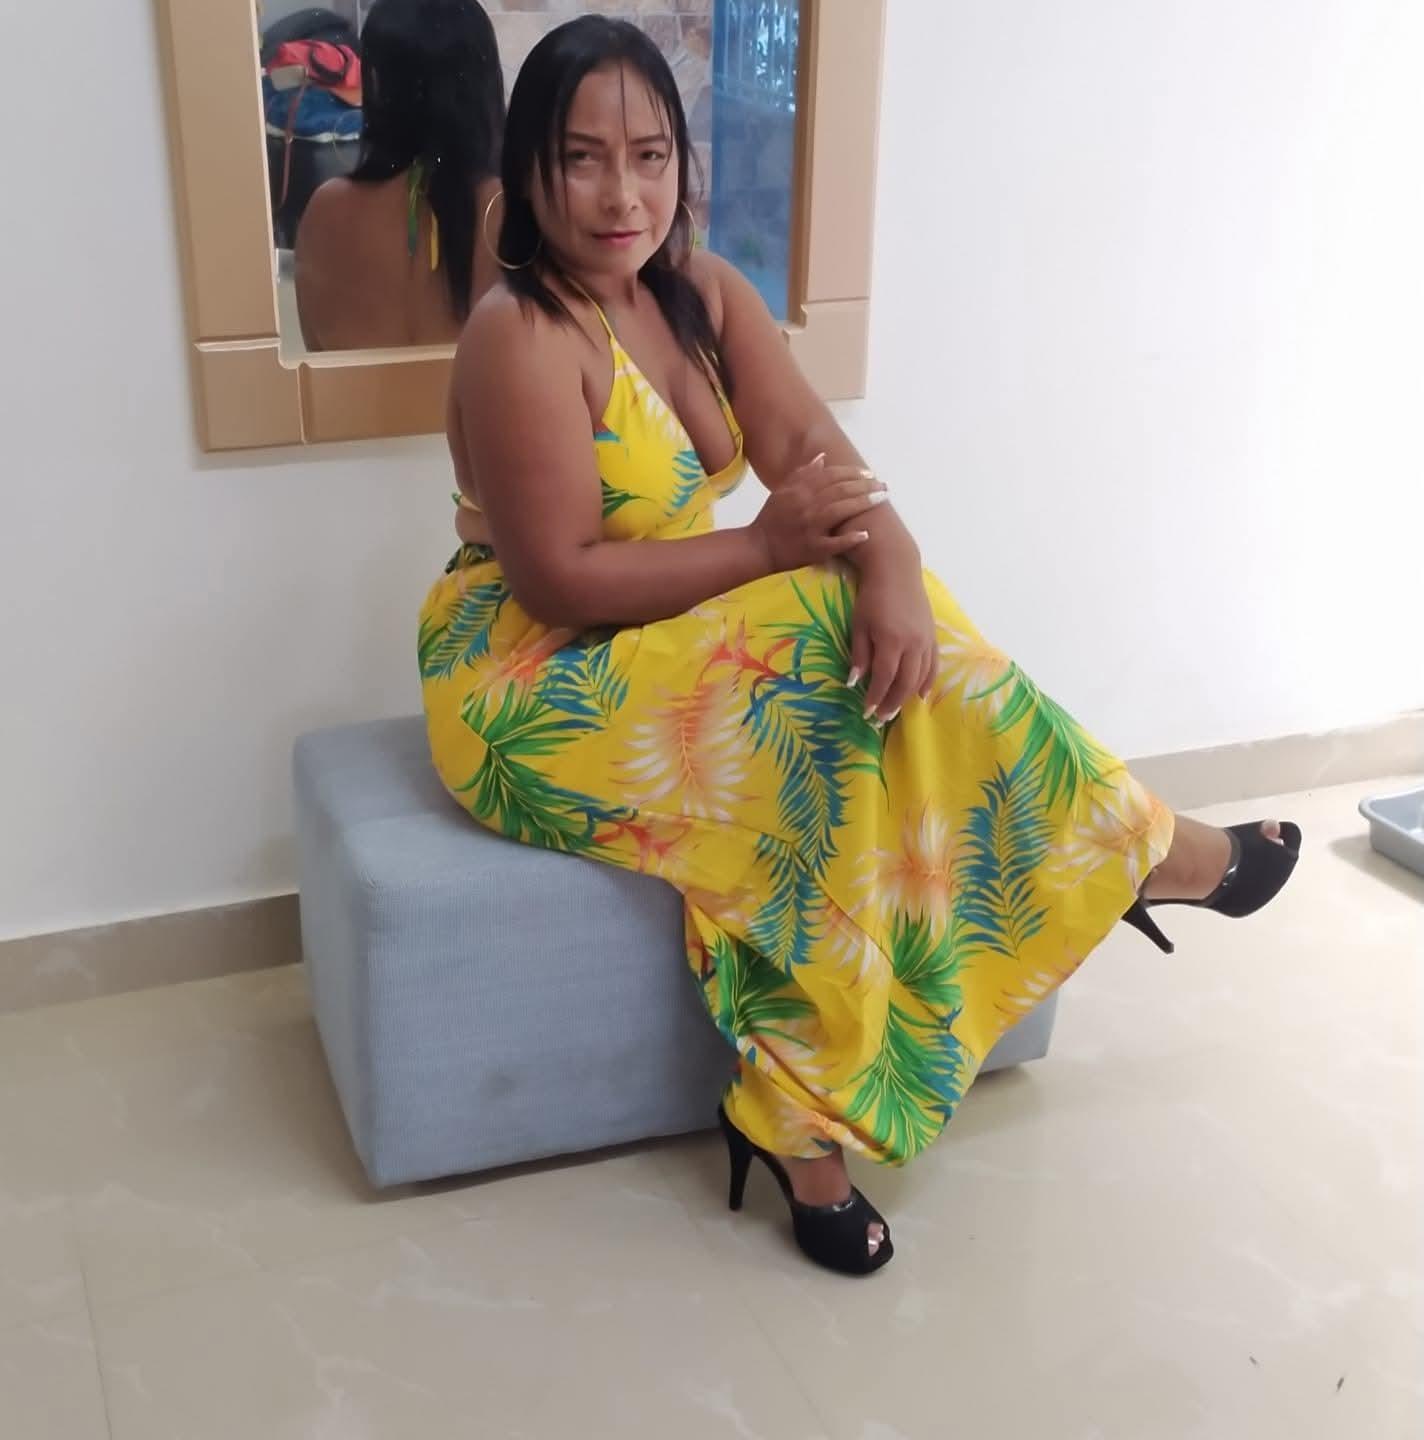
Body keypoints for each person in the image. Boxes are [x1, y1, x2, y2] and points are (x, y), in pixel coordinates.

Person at [418, 16, 1301, 1276]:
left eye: (650, 155)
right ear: (529, 169)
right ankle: (1135, 850)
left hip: (659, 621)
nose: (623, 195)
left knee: (858, 627)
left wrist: (888, 565)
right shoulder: (517, 330)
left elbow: (816, 460)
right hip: (529, 672)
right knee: (809, 662)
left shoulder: (702, 291)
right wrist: (773, 549)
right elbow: (560, 577)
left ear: (681, 162)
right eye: (582, 158)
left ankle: (808, 1097)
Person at [295, 0, 504, 351]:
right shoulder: (512, 212)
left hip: (352, 392)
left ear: (375, 81)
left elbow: (315, 353)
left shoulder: (325, 210)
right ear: (483, 84)